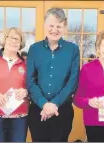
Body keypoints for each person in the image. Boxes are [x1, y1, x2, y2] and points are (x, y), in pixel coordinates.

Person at [26, 8, 80, 142]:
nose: (54, 30)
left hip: (63, 110)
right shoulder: (34, 49)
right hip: (38, 110)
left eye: (59, 26)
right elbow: (30, 81)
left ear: (64, 27)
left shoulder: (73, 49)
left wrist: (54, 104)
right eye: (51, 25)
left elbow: (72, 81)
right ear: (45, 25)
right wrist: (44, 104)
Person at [0, 27, 29, 142]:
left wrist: (26, 91)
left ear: (21, 43)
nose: (14, 41)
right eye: (11, 37)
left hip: (19, 116)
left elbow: (33, 85)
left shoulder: (26, 63)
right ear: (5, 39)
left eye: (18, 39)